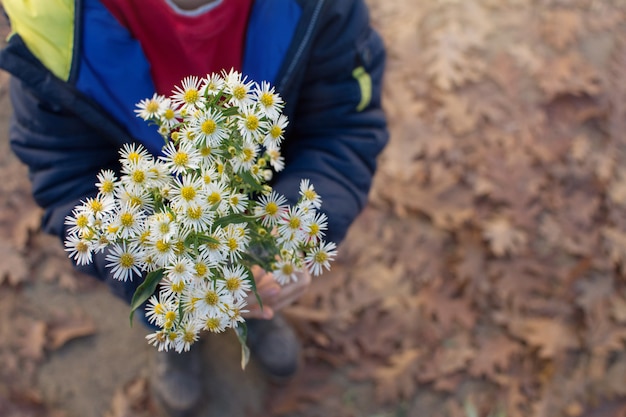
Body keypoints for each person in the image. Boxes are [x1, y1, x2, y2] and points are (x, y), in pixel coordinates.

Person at [0, 0, 388, 414]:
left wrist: (297, 228)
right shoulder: (52, 27)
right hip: (153, 248)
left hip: (260, 210)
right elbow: (66, 180)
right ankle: (174, 333)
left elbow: (344, 125)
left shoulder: (322, 11)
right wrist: (150, 264)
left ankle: (255, 316)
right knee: (168, 304)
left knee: (251, 285)